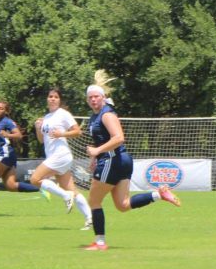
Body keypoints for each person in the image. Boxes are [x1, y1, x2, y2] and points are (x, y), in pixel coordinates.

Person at [83, 79, 181, 251]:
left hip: (112, 160)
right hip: (119, 160)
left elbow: (119, 137)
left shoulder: (106, 114)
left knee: (94, 201)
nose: (93, 100)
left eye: (96, 96)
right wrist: (95, 157)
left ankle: (99, 242)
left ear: (103, 98)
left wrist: (97, 151)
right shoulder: (96, 116)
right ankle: (159, 194)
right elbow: (103, 138)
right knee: (123, 205)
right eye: (90, 97)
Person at [25, 88, 94, 229]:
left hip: (61, 155)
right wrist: (38, 128)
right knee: (72, 190)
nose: (52, 99)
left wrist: (61, 134)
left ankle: (64, 196)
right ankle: (90, 218)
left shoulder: (63, 114)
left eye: (55, 97)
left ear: (59, 100)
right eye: (50, 96)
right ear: (47, 99)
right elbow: (41, 141)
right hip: (55, 157)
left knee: (34, 179)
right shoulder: (46, 118)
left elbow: (77, 131)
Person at [0, 101, 43, 218]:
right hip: (5, 153)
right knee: (10, 185)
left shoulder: (7, 121)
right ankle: (41, 189)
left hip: (4, 154)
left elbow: (18, 135)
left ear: (6, 111)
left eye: (1, 108)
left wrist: (8, 134)